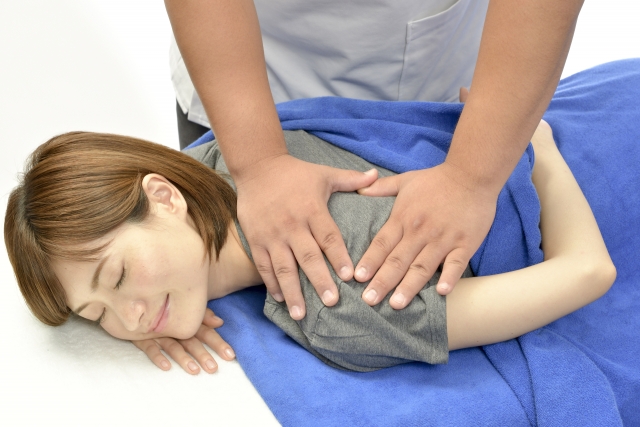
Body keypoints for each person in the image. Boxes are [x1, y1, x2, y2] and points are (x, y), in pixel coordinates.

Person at [4, 119, 616, 373]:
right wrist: (166, 292)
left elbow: (588, 271)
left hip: (602, 160)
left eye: (115, 279)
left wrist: (539, 154)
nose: (131, 316)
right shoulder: (227, 155)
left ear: (165, 196)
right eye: (97, 315)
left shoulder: (335, 298)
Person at [164, 0, 586, 324]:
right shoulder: (198, 172)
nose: (130, 317)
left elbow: (587, 272)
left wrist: (472, 179)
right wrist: (256, 163)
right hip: (245, 76)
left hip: (445, 98)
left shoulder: (344, 317)